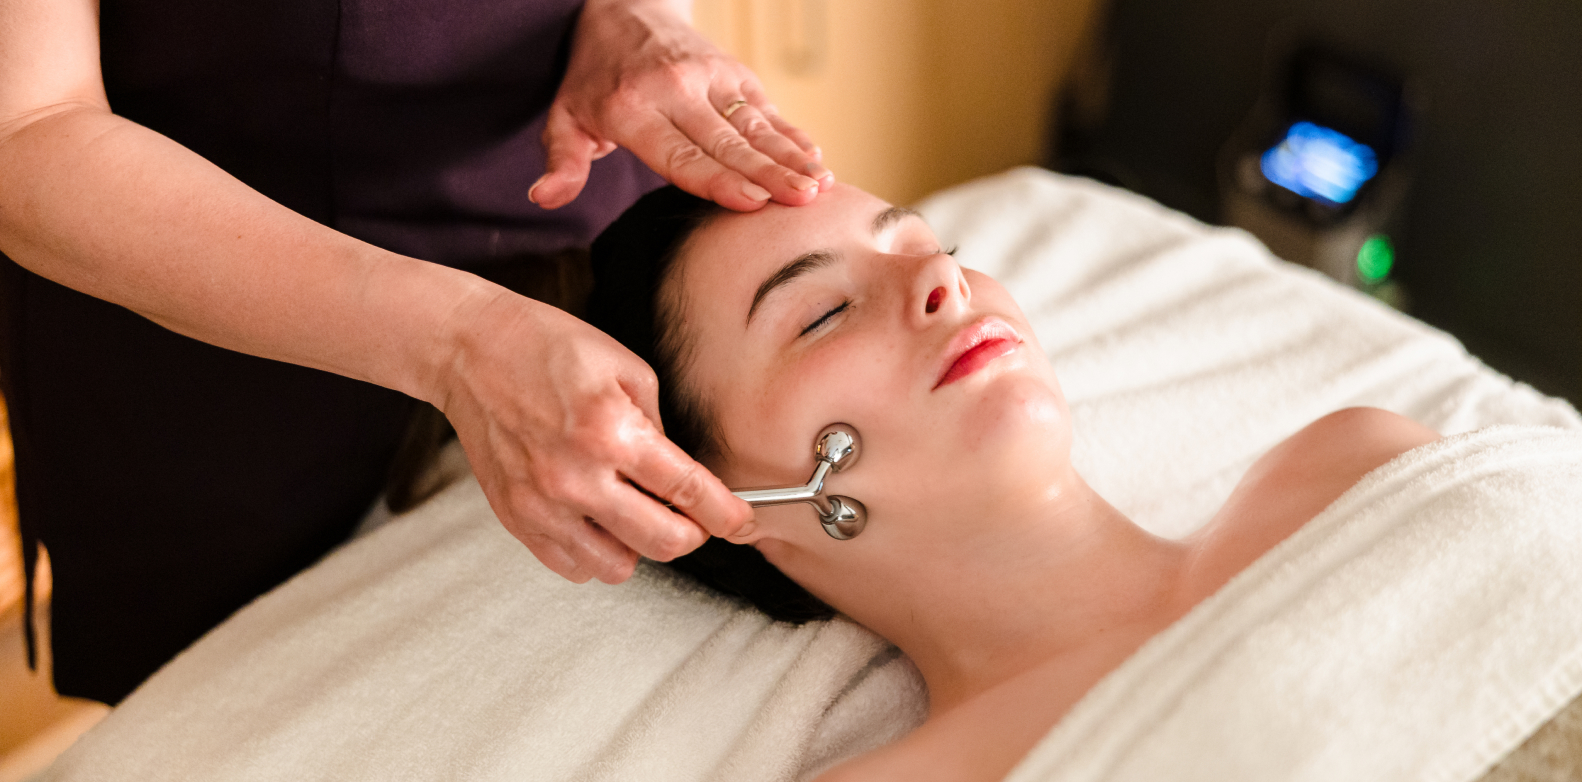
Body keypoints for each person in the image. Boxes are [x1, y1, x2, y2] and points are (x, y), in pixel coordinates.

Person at [0, 0, 826, 703]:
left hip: (583, 217)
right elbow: (25, 128)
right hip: (219, 332)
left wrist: (634, 16)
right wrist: (459, 345)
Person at [582, 184, 1444, 780]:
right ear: (714, 501)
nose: (938, 280)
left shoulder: (1357, 472)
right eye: (823, 313)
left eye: (933, 247)